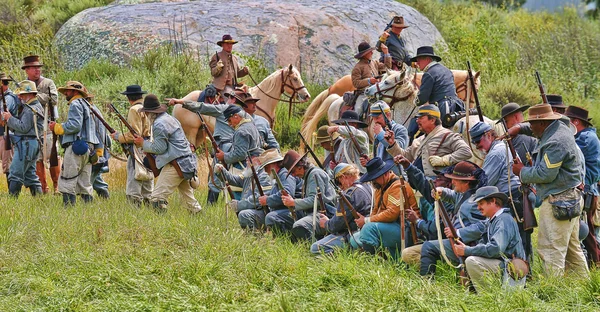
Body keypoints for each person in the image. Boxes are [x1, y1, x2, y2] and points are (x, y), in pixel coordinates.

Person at [513, 103, 588, 277]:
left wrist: (522, 171)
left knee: (550, 249)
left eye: (532, 123)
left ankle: (552, 292)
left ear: (543, 123)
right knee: (572, 249)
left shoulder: (555, 142)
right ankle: (583, 287)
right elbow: (533, 129)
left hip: (560, 199)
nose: (530, 127)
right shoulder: (561, 127)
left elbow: (545, 174)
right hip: (569, 197)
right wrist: (517, 128)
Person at [469, 121, 533, 267]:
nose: (477, 146)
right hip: (516, 197)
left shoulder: (496, 153)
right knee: (521, 238)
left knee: (518, 239)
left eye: (478, 141)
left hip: (513, 198)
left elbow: (485, 182)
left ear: (489, 135)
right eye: (474, 142)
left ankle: (522, 273)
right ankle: (525, 271)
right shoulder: (500, 148)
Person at [449, 186, 526, 292]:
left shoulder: (503, 220)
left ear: (493, 202)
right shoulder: (493, 220)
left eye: (481, 203)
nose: (478, 207)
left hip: (510, 268)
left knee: (472, 262)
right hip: (502, 265)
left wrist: (467, 250)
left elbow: (496, 249)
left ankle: (490, 297)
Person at [133, 94, 201, 214]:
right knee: (190, 201)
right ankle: (199, 217)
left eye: (147, 112)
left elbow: (159, 148)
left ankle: (160, 226)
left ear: (151, 112)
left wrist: (143, 143)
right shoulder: (170, 118)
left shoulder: (159, 124)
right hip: (185, 162)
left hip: (176, 164)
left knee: (157, 198)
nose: (146, 115)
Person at [420, 161, 486, 277]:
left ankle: (426, 282)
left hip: (469, 244)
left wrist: (458, 232)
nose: (453, 182)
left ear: (466, 183)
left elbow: (482, 227)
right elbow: (455, 196)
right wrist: (442, 191)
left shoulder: (475, 202)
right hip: (460, 240)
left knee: (428, 247)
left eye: (456, 179)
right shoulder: (464, 193)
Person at [352, 157, 415, 260]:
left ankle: (373, 265)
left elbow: (392, 213)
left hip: (406, 229)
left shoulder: (397, 186)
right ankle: (383, 261)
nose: (373, 181)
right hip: (392, 227)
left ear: (385, 174)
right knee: (354, 239)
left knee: (368, 230)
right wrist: (366, 221)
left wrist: (367, 220)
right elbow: (377, 210)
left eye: (375, 177)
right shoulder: (380, 188)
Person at [386, 104, 472, 178]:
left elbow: (466, 151)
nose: (417, 121)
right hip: (419, 184)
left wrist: (444, 160)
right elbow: (405, 156)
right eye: (417, 118)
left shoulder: (447, 135)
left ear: (432, 120)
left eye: (421, 118)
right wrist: (392, 143)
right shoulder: (419, 139)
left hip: (439, 185)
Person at [49, 81, 99, 206]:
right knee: (84, 182)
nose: (65, 93)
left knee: (67, 179)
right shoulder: (88, 105)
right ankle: (88, 209)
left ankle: (68, 208)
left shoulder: (75, 104)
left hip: (76, 147)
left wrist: (57, 127)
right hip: (89, 148)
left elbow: (75, 126)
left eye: (68, 90)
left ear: (75, 92)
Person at [565, 105, 600, 266]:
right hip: (588, 191)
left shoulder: (583, 139)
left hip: (586, 192)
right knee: (587, 233)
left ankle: (595, 264)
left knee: (587, 234)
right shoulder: (588, 137)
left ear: (576, 122)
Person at [311, 163, 372, 255]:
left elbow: (337, 225)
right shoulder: (368, 186)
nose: (340, 187)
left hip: (353, 234)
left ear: (343, 177)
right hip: (368, 231)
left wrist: (326, 224)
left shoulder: (349, 194)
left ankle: (346, 254)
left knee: (316, 248)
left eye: (338, 182)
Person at [22, 55, 60, 194]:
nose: (37, 70)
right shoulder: (24, 84)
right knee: (36, 158)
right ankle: (43, 188)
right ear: (27, 70)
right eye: (33, 67)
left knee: (52, 155)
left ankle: (57, 186)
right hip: (31, 126)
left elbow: (53, 99)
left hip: (47, 124)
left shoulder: (48, 83)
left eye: (38, 67)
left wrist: (33, 95)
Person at [111, 85, 154, 206]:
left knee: (135, 178)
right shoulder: (148, 108)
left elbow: (134, 135)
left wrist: (118, 137)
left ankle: (135, 207)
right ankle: (151, 206)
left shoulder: (134, 110)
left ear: (129, 98)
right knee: (148, 177)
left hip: (137, 148)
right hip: (149, 145)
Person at [409, 46, 464, 138]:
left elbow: (422, 99)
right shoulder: (447, 70)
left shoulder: (429, 73)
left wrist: (414, 102)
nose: (417, 63)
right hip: (457, 106)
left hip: (442, 108)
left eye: (419, 60)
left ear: (427, 59)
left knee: (415, 131)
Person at [1, 80, 44, 196]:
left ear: (29, 94)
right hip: (30, 143)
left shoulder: (31, 108)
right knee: (30, 175)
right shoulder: (33, 106)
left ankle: (12, 200)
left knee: (15, 173)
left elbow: (23, 127)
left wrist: (9, 118)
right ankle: (39, 200)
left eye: (22, 94)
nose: (19, 96)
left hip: (26, 144)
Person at [282, 151, 336, 241]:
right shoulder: (308, 175)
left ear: (300, 166)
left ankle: (315, 245)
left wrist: (293, 202)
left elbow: (316, 200)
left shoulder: (315, 174)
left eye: (293, 171)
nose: (294, 175)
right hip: (314, 212)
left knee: (299, 226)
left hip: (325, 214)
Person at [216, 150, 272, 230]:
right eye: (246, 159)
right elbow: (235, 180)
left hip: (262, 212)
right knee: (243, 214)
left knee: (244, 215)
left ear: (259, 161)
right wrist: (222, 171)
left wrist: (239, 205)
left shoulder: (264, 176)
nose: (247, 161)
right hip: (254, 210)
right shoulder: (250, 173)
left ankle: (255, 235)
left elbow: (257, 199)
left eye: (250, 158)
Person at [262, 150, 304, 235]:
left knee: (271, 218)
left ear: (273, 165)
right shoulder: (279, 175)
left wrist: (268, 200)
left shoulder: (284, 174)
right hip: (290, 208)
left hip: (297, 210)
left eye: (266, 167)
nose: (265, 171)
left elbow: (287, 193)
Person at [367, 101, 409, 175]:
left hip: (396, 175)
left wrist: (380, 134)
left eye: (377, 118)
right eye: (373, 118)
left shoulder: (400, 129)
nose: (375, 121)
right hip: (381, 175)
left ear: (388, 115)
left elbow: (400, 149)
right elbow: (378, 155)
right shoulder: (378, 132)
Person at [350, 41, 391, 117]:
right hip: (364, 94)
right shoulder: (357, 67)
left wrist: (386, 53)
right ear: (364, 54)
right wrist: (369, 81)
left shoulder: (374, 62)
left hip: (377, 92)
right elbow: (356, 83)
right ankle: (355, 125)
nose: (372, 53)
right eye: (370, 52)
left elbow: (387, 67)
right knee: (358, 110)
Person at [85, 91, 110, 199]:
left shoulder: (92, 111)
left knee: (88, 179)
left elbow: (99, 132)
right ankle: (103, 194)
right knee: (96, 177)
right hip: (93, 148)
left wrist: (99, 152)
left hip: (95, 149)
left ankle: (87, 199)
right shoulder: (89, 110)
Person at [0, 73, 17, 185]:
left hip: (7, 134)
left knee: (8, 165)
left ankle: (13, 192)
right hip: (2, 133)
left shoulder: (9, 98)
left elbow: (2, 117)